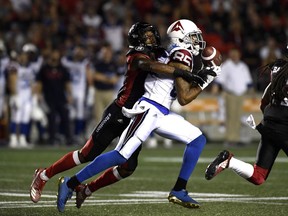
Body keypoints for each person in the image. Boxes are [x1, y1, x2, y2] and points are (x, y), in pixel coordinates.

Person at [56, 19, 220, 212]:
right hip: (149, 108)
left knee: (197, 139)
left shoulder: (174, 52)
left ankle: (179, 189)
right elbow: (184, 98)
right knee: (121, 155)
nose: (198, 41)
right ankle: (70, 183)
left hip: (162, 111)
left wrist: (205, 75)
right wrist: (207, 78)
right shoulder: (182, 54)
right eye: (193, 37)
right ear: (181, 38)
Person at [205, 51, 288, 187]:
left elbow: (264, 102)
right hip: (284, 126)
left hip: (269, 125)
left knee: (258, 176)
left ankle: (230, 162)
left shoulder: (279, 70)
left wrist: (270, 121)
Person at [211, 48, 253, 146]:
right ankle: (230, 139)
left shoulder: (243, 66)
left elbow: (248, 81)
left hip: (241, 94)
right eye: (233, 54)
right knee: (230, 117)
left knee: (238, 117)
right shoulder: (227, 65)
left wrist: (252, 92)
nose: (235, 56)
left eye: (236, 54)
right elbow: (220, 79)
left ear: (239, 55)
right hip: (230, 94)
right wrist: (215, 88)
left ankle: (236, 138)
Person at [33, 49, 73, 146]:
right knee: (51, 118)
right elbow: (39, 83)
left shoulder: (62, 68)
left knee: (65, 117)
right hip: (48, 98)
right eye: (53, 53)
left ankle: (68, 138)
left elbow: (67, 83)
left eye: (56, 53)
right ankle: (52, 139)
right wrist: (38, 95)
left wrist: (69, 95)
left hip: (61, 97)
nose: (55, 55)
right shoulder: (44, 68)